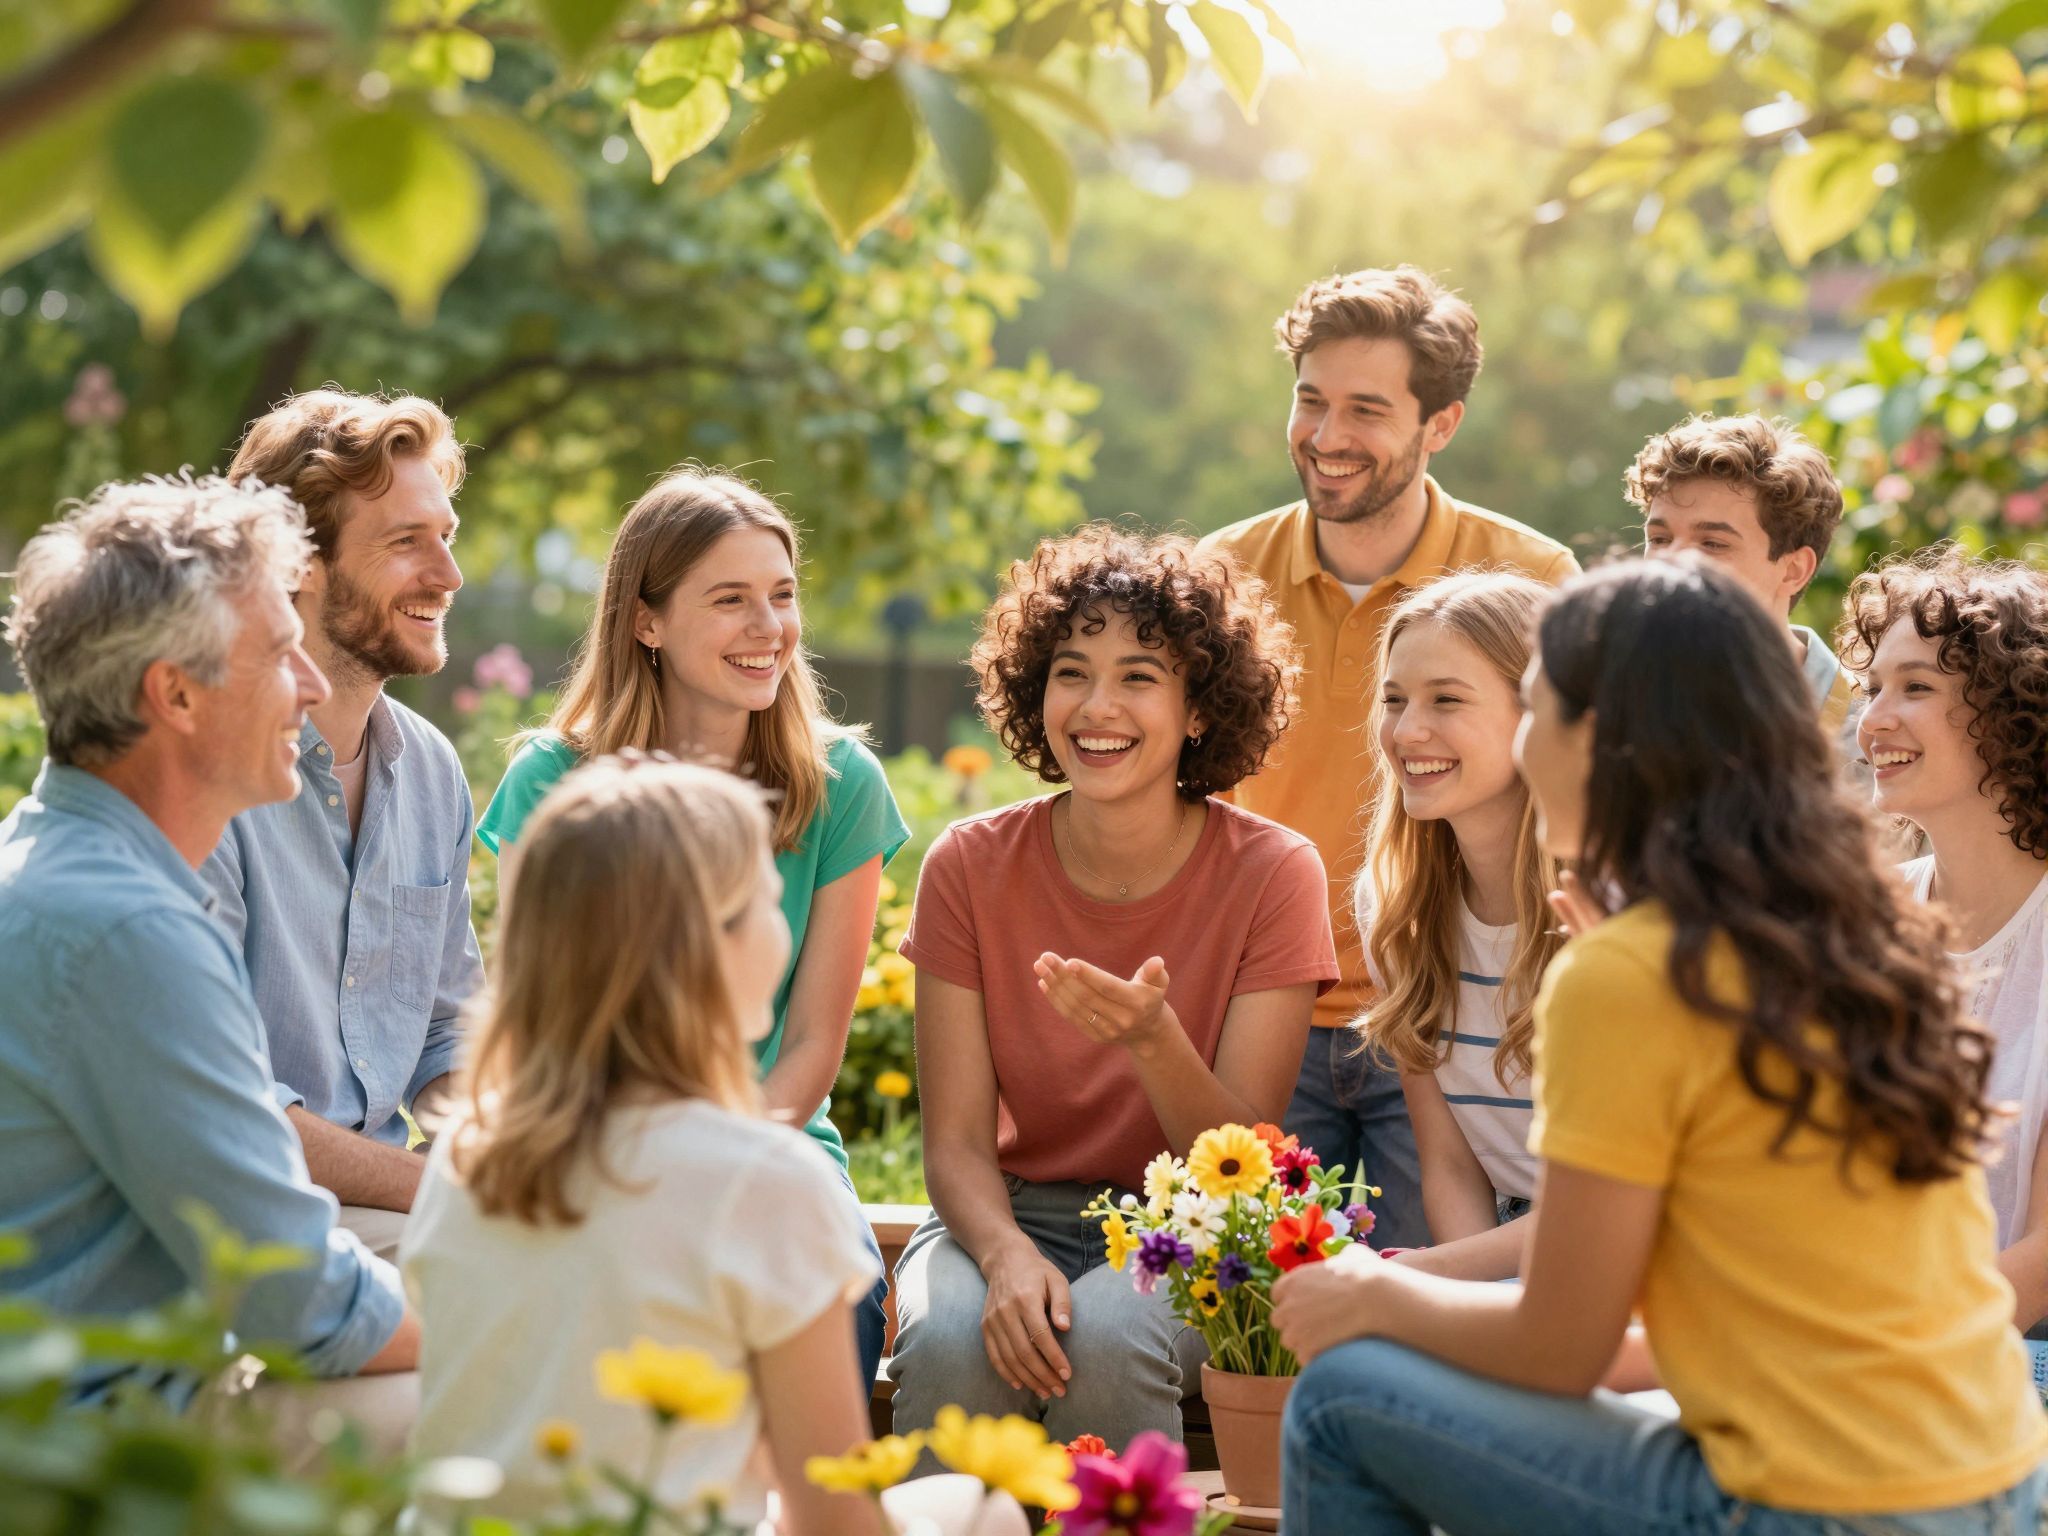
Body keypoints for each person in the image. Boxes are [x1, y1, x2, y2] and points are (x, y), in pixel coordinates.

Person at [1270, 556, 2047, 1535]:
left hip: (1827, 1510)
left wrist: (1368, 1294)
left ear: (1603, 742)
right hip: (1991, 1481)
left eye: (1534, 708)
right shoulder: (1846, 926)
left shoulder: (1632, 974)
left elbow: (1558, 1343)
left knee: (1343, 1396)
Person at [890, 525, 1338, 1450]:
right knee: (945, 1340)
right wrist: (1007, 1253)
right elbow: (957, 1145)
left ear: (1199, 710)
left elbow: (1243, 1161)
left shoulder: (1275, 872)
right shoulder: (968, 865)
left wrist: (1152, 1040)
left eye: (1139, 675)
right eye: (1071, 671)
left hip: (1188, 1229)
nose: (1098, 706)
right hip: (1004, 1210)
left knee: (1102, 1330)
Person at [476, 467, 907, 1387]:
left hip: (775, 1145)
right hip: (592, 1145)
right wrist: (645, 1174)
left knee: (837, 1287)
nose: (770, 629)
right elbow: (538, 1025)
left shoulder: (841, 786)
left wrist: (715, 1170)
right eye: (731, 600)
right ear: (646, 621)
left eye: (782, 597)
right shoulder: (552, 782)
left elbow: (812, 1051)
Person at [0, 475, 415, 1430]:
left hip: (113, 1401)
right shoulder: (131, 935)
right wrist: (529, 1318)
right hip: (99, 1454)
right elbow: (303, 1305)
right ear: (176, 694)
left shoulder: (64, 867)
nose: (311, 686)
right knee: (524, 1400)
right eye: (280, 653)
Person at [405, 756, 884, 1533]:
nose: (781, 929)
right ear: (706, 947)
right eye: (768, 901)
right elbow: (834, 1519)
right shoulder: (766, 1180)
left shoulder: (468, 1152)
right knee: (978, 1509)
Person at [1197, 267, 1576, 1248]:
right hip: (1263, 1021)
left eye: (1365, 410)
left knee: (1432, 1296)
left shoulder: (1531, 581)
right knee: (1249, 1322)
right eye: (1309, 399)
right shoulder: (1218, 576)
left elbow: (1575, 798)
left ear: (1437, 424)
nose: (1325, 437)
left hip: (1454, 1027)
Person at [203, 390, 483, 1260]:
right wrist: (436, 1187)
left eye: (447, 536)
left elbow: (448, 1027)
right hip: (245, 1221)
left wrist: (479, 1140)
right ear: (297, 564)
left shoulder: (430, 769)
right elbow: (217, 1103)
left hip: (389, 1215)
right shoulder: (205, 771)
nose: (448, 573)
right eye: (407, 542)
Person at [1842, 545, 2048, 1347]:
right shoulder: (1862, 922)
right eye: (1873, 689)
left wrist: (1861, 1352)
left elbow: (2038, 1264)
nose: (1874, 720)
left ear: (2013, 708)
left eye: (1916, 688)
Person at [1354, 572, 1561, 1280]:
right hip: (1508, 1244)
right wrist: (1470, 1296)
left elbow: (1619, 1206)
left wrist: (1408, 1278)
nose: (1407, 731)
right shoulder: (1395, 909)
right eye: (1393, 700)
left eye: (1446, 699)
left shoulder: (1617, 905)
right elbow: (1449, 1165)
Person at [1630, 413, 1856, 746]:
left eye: (1712, 544)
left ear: (1793, 570)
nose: (1670, 563)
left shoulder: (1868, 736)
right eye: (1660, 539)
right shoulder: (1604, 705)